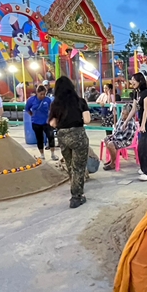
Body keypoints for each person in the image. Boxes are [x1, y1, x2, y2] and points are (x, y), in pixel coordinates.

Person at [48, 76, 91, 208]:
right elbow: (87, 120)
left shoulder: (55, 104)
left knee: (70, 165)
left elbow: (52, 123)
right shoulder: (80, 101)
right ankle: (76, 197)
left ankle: (74, 190)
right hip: (78, 135)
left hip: (63, 136)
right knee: (79, 167)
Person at [125, 72, 147, 181]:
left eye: (134, 79)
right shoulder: (136, 93)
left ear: (140, 81)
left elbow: (146, 110)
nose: (132, 81)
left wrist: (143, 125)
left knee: (146, 148)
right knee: (142, 148)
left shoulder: (146, 93)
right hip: (143, 122)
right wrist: (125, 122)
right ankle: (144, 168)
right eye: (131, 79)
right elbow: (134, 109)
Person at [26, 85, 58, 161]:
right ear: (37, 92)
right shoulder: (31, 100)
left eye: (44, 94)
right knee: (39, 138)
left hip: (46, 122)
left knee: (51, 137)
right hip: (36, 123)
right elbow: (27, 109)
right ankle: (42, 155)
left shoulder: (48, 100)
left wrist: (51, 118)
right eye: (41, 94)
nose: (43, 96)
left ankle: (53, 154)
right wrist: (32, 115)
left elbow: (52, 110)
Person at [103, 103, 137, 171]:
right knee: (106, 139)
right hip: (118, 137)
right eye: (122, 113)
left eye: (124, 114)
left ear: (129, 115)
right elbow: (117, 129)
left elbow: (127, 137)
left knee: (111, 144)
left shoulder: (130, 122)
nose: (122, 115)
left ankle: (113, 163)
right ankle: (112, 159)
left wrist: (115, 138)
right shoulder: (122, 118)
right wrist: (113, 135)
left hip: (125, 141)